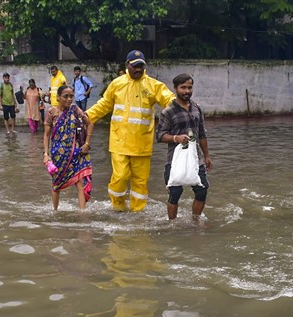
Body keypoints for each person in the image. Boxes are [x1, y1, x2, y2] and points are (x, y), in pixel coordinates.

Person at [86, 50, 175, 212]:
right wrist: (86, 117)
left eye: (141, 66)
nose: (138, 69)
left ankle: (138, 212)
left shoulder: (154, 86)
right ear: (127, 65)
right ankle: (118, 207)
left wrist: (183, 108)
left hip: (142, 144)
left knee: (140, 181)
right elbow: (104, 105)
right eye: (135, 66)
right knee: (120, 177)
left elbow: (169, 100)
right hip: (119, 141)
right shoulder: (117, 84)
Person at [156, 73, 213, 221]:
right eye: (183, 88)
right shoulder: (168, 112)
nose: (187, 91)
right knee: (175, 193)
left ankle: (195, 220)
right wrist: (176, 138)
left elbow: (201, 133)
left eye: (189, 87)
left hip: (196, 158)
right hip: (175, 158)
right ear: (175, 89)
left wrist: (206, 156)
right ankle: (172, 224)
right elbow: (160, 135)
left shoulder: (196, 109)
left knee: (202, 190)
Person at [43, 85, 95, 211]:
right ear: (58, 97)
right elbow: (46, 135)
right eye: (66, 96)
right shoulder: (51, 113)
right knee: (56, 185)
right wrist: (46, 154)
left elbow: (90, 124)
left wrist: (87, 144)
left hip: (76, 152)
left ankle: (83, 213)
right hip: (58, 155)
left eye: (71, 96)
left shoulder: (75, 110)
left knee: (80, 183)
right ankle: (55, 211)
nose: (69, 99)